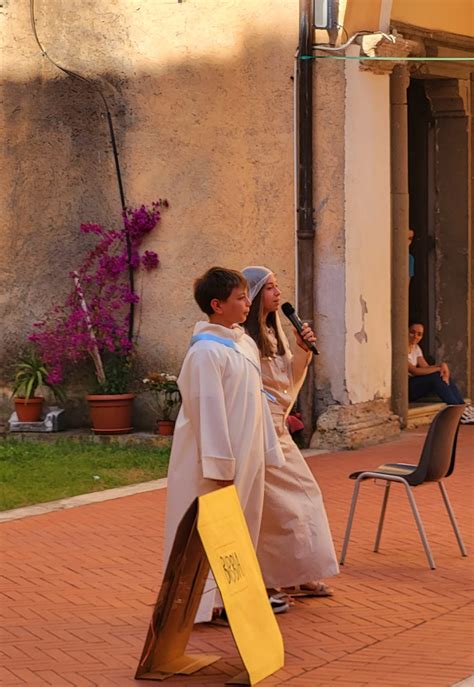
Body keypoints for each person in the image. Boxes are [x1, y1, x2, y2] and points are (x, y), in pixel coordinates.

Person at [163, 267, 286, 623]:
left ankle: (234, 599)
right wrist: (219, 466)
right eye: (241, 298)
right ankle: (201, 605)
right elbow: (207, 409)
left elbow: (256, 398)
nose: (249, 303)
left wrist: (266, 448)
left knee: (244, 527)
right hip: (215, 462)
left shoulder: (243, 342)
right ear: (217, 305)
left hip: (247, 453)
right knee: (211, 531)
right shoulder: (205, 353)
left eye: (248, 296)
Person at [241, 266, 339, 597]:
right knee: (274, 508)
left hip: (277, 426)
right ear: (255, 298)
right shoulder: (245, 340)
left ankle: (302, 571)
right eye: (269, 288)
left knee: (304, 498)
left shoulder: (276, 331)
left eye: (277, 286)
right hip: (259, 428)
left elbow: (288, 381)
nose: (277, 292)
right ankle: (272, 580)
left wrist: (302, 349)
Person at [408, 321, 474, 424]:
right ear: (406, 331)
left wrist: (442, 366)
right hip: (406, 389)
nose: (415, 336)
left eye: (419, 334)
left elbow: (425, 367)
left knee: (441, 374)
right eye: (412, 332)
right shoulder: (401, 349)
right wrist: (439, 369)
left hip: (415, 384)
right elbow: (414, 371)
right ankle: (457, 410)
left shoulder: (416, 348)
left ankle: (462, 407)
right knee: (436, 375)